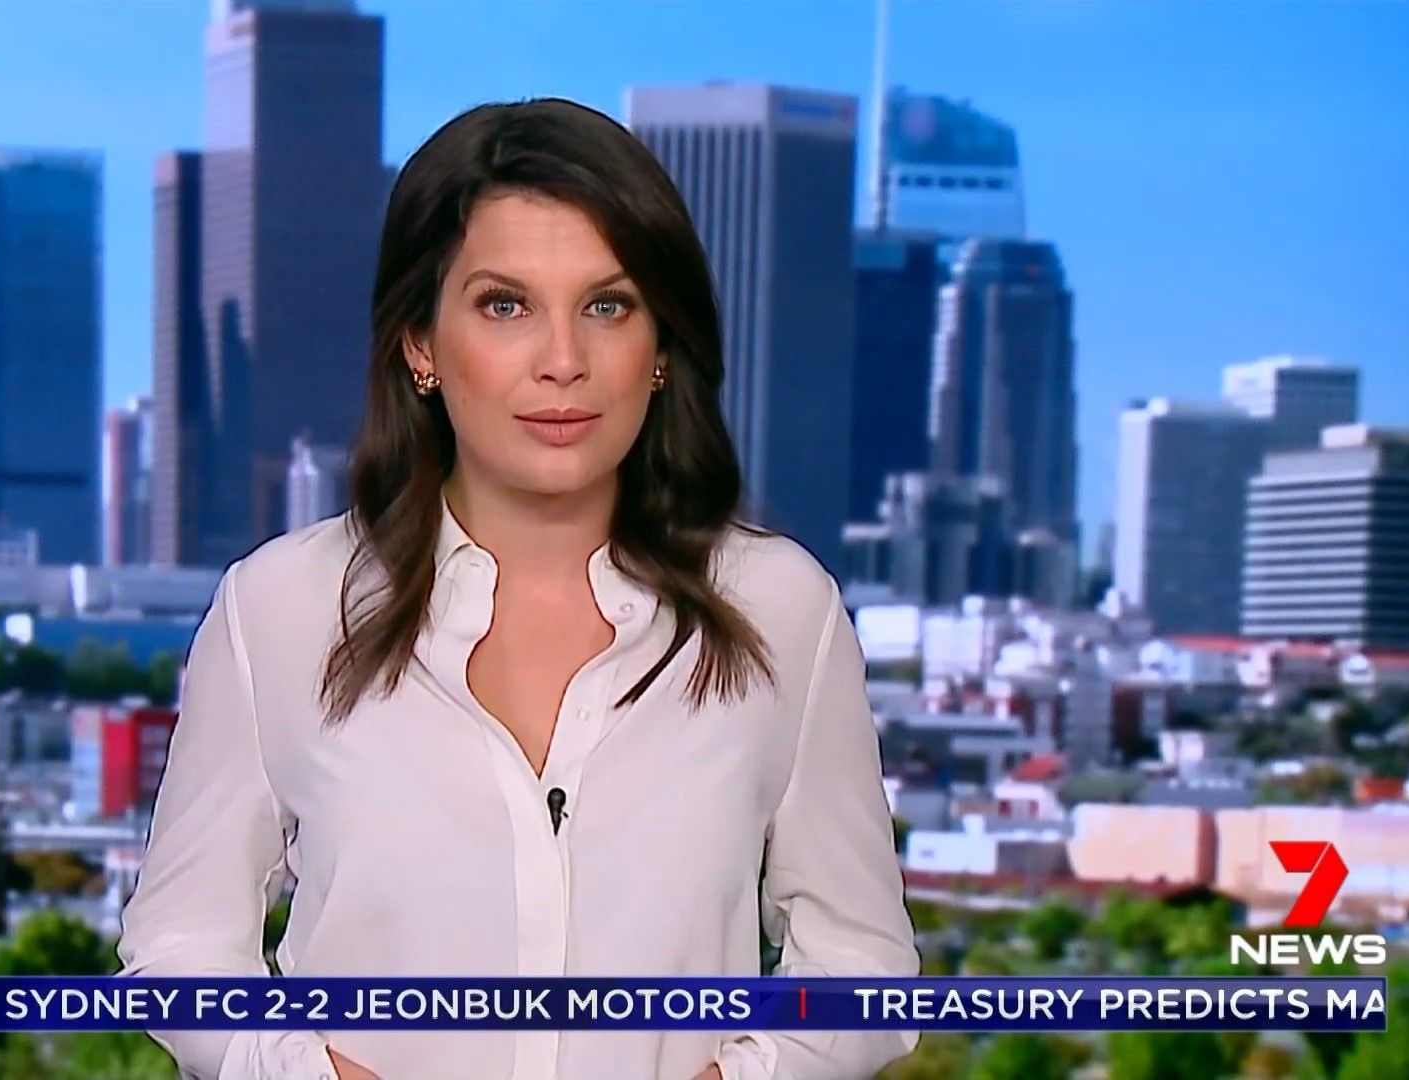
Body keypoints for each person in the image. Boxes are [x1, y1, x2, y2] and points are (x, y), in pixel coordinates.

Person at [116, 97, 918, 1080]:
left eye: (607, 306)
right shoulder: (281, 608)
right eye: (506, 306)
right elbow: (178, 945)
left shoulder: (781, 610)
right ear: (420, 343)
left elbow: (863, 963)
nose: (563, 363)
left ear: (661, 348)